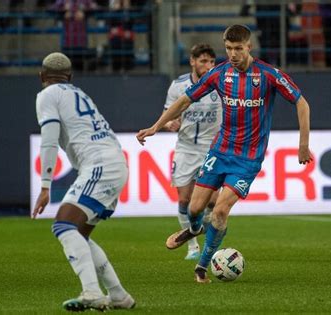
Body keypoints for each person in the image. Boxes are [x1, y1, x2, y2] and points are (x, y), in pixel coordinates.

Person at [137, 25, 313, 283]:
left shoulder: (268, 74)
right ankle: (194, 229)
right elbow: (185, 100)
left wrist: (303, 144)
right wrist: (155, 126)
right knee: (194, 208)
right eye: (228, 48)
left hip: (248, 159)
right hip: (219, 152)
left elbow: (301, 102)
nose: (232, 54)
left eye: (238, 48)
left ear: (248, 47)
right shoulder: (219, 74)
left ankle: (202, 266)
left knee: (219, 212)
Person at [32, 52, 135, 311]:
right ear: (70, 77)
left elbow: (49, 139)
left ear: (41, 76)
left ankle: (91, 292)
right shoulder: (79, 93)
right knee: (79, 233)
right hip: (114, 161)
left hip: (99, 165)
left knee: (63, 225)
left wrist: (45, 185)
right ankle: (118, 295)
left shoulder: (46, 95)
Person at [161, 43, 222, 260]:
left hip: (212, 150)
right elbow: (168, 115)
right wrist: (170, 125)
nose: (208, 65)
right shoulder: (178, 86)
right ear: (192, 62)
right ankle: (193, 246)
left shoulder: (220, 84)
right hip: (186, 149)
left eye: (212, 61)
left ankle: (208, 245)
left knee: (214, 202)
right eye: (204, 61)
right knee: (185, 200)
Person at [51, 0, 97, 72]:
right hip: (66, 43)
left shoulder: (85, 1)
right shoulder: (62, 1)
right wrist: (63, 12)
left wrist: (84, 12)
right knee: (65, 72)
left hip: (81, 43)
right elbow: (51, 9)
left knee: (79, 71)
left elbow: (96, 8)